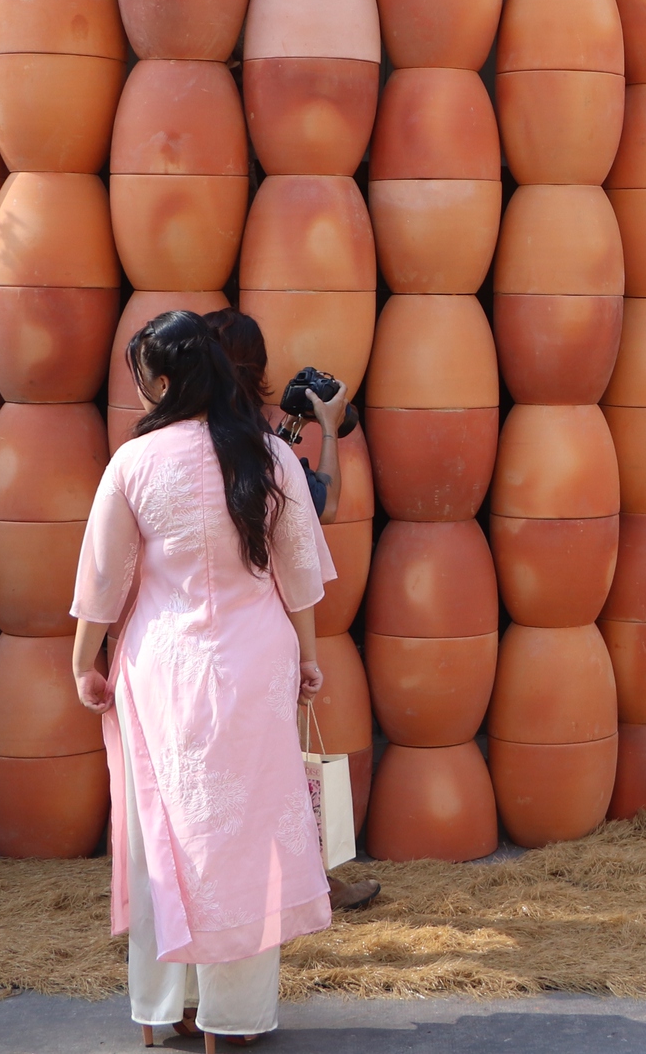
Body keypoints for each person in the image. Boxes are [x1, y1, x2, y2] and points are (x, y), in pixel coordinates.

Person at [73, 311, 332, 1049]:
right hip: (254, 662)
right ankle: (233, 1020)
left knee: (165, 835)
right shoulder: (270, 456)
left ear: (159, 379)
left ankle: (164, 1011)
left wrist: (82, 658)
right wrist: (309, 662)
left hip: (164, 667)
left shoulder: (136, 462)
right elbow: (301, 577)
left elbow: (102, 578)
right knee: (243, 842)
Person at [197, 309, 378, 914]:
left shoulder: (163, 445)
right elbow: (319, 505)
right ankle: (305, 888)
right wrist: (328, 429)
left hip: (185, 645)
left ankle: (225, 897)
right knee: (273, 773)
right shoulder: (264, 451)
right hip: (256, 637)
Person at [202, 310, 345, 519]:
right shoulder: (241, 425)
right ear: (258, 366)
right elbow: (326, 508)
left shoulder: (191, 417)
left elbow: (266, 470)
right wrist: (329, 427)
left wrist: (289, 428)